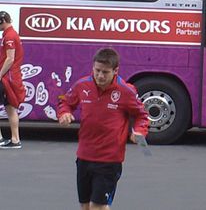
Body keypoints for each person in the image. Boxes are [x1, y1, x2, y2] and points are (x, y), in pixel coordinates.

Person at [57, 48, 149, 210]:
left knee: (97, 206)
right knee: (85, 206)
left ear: (115, 71)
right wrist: (64, 113)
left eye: (105, 72)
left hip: (109, 160)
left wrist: (139, 131)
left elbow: (142, 115)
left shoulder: (126, 91)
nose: (100, 76)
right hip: (84, 156)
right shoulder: (82, 85)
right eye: (97, 70)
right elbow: (65, 101)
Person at [0, 11, 25, 149]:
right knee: (10, 108)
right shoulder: (11, 34)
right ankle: (15, 140)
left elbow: (10, 59)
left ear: (2, 20)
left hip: (6, 78)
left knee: (11, 108)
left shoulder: (9, 36)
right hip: (10, 77)